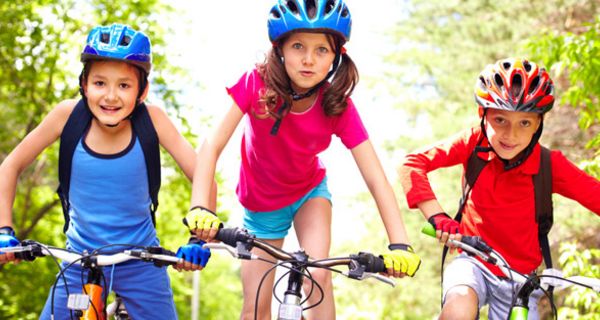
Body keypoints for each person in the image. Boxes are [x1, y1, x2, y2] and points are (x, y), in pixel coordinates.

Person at [183, 1, 421, 319]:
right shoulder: (256, 83)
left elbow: (376, 178)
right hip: (262, 204)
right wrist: (201, 206)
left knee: (317, 275)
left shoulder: (337, 105)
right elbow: (211, 146)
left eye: (321, 49)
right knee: (255, 309)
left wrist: (399, 244)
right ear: (280, 48)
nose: (309, 59)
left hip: (309, 193)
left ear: (337, 55)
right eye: (298, 46)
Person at [0, 23, 214, 319]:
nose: (111, 96)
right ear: (84, 84)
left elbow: (203, 173)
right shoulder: (67, 116)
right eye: (100, 83)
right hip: (78, 260)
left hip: (140, 262)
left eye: (124, 85)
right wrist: (4, 231)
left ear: (143, 90)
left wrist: (198, 239)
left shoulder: (153, 120)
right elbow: (10, 166)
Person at [399, 57, 600, 319]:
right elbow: (412, 163)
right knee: (458, 309)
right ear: (483, 115)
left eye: (524, 123)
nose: (510, 135)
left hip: (521, 280)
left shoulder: (549, 164)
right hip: (473, 262)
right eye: (500, 120)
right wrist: (437, 216)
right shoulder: (473, 142)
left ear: (538, 124)